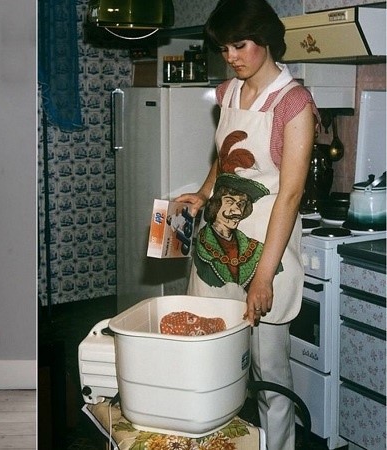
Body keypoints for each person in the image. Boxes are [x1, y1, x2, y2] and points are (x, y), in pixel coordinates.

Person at [174, 0, 319, 448]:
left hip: (266, 248)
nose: (231, 56)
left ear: (266, 40)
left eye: (239, 45)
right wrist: (203, 194)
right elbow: (225, 160)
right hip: (218, 240)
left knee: (268, 370)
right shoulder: (228, 93)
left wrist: (263, 276)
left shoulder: (293, 103)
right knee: (209, 355)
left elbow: (289, 195)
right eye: (224, 48)